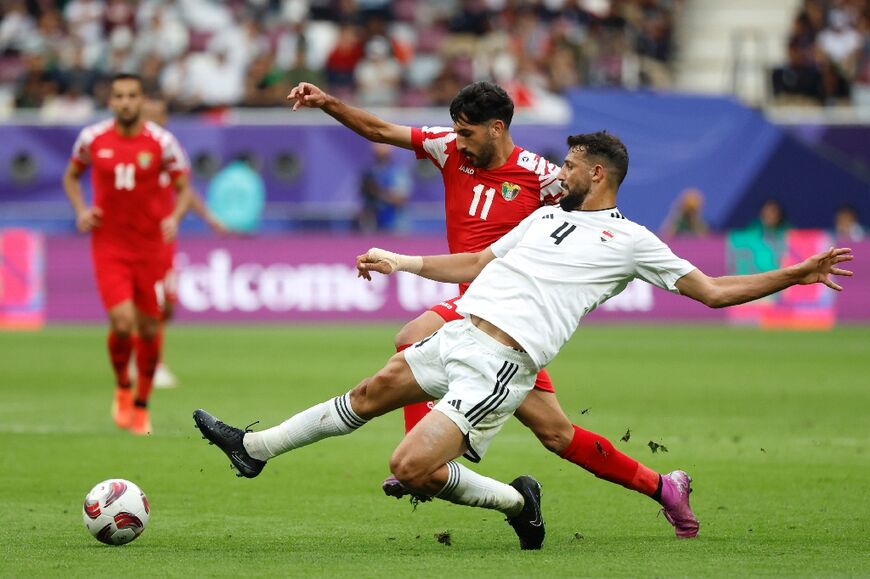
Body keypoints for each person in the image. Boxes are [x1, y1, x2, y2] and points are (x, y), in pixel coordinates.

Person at [193, 132, 853, 549]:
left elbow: (710, 290)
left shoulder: (632, 240)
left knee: (410, 468)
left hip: (502, 366)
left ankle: (517, 499)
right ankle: (254, 449)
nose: (557, 174)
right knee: (371, 390)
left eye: (569, 166)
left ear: (598, 173)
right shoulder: (543, 218)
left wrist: (791, 274)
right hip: (458, 332)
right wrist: (403, 261)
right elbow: (478, 264)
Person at [285, 80, 699, 538]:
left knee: (413, 338)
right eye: (456, 131)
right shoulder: (448, 148)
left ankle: (424, 456)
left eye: (466, 132)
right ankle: (664, 488)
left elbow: (590, 220)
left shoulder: (542, 176)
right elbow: (380, 130)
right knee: (556, 434)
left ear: (497, 128)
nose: (457, 140)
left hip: (504, 309)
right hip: (480, 314)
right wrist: (326, 103)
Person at [63, 73, 193, 435]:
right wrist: (81, 210)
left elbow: (184, 188)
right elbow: (71, 177)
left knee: (150, 328)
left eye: (132, 95)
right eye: (118, 95)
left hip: (150, 247)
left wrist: (175, 216)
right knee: (122, 323)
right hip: (109, 245)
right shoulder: (92, 138)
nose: (125, 102)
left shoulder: (163, 142)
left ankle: (142, 404)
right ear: (111, 101)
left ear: (141, 100)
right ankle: (123, 386)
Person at [126, 96, 226, 389]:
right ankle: (150, 363)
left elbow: (185, 189)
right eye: (148, 116)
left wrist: (208, 217)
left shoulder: (169, 150)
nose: (154, 122)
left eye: (159, 116)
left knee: (165, 306)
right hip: (139, 238)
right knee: (149, 302)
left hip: (164, 238)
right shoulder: (131, 151)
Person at [356, 142, 412, 233]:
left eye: (383, 154)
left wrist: (377, 191)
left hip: (395, 226)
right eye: (377, 154)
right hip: (373, 226)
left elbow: (400, 199)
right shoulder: (369, 172)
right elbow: (364, 198)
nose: (379, 157)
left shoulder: (398, 172)